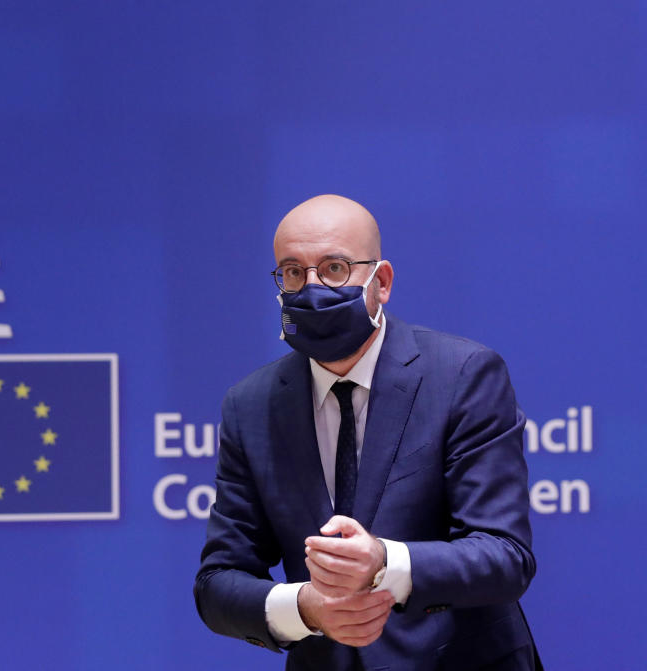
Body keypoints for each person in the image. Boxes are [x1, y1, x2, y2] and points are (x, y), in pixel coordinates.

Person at [194, 195, 540, 670]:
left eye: (334, 268)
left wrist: (383, 562)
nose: (311, 288)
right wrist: (305, 609)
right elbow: (218, 583)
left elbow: (504, 556)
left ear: (382, 282)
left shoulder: (462, 376)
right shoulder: (251, 405)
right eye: (293, 272)